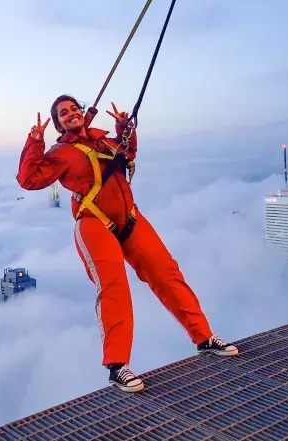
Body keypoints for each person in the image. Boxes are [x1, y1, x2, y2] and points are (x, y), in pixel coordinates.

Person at [16, 95, 238, 393]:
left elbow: (128, 154)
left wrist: (124, 128)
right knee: (114, 287)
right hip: (94, 223)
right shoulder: (62, 152)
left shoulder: (106, 143)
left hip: (129, 218)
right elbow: (29, 178)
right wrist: (35, 140)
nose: (70, 114)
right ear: (58, 124)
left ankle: (204, 338)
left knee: (166, 274)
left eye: (73, 109)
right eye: (63, 113)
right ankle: (117, 366)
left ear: (82, 113)